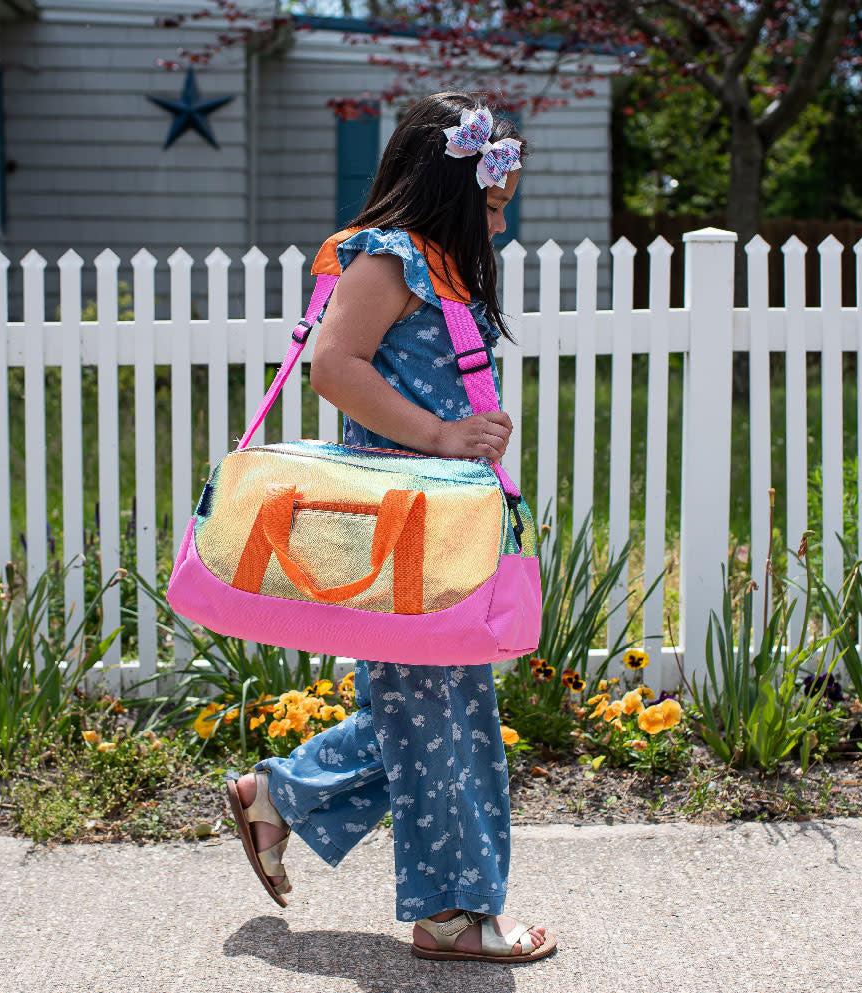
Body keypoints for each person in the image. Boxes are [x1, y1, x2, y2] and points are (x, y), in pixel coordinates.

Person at [227, 91, 555, 964]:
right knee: (445, 717)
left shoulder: (437, 265)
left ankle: (278, 794)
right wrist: (444, 433)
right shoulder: (389, 259)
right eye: (487, 203)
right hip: (403, 532)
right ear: (442, 183)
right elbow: (334, 366)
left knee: (430, 709)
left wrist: (469, 425)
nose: (495, 222)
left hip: (437, 527)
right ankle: (451, 914)